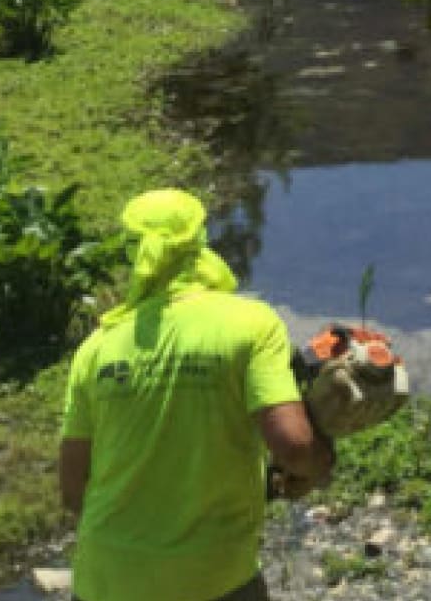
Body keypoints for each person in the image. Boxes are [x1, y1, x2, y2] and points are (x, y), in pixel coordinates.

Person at [59, 188, 334, 601]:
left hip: (106, 580)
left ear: (132, 253)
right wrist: (318, 464)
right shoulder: (249, 324)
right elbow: (294, 447)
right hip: (215, 580)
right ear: (201, 243)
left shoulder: (97, 346)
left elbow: (73, 488)